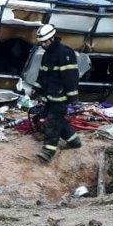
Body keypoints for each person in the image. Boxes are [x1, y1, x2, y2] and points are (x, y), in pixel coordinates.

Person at [34, 24, 82, 162]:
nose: (43, 44)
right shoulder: (47, 55)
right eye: (41, 42)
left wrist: (73, 98)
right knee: (57, 120)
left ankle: (48, 151)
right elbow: (42, 74)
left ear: (52, 38)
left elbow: (71, 76)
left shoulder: (65, 53)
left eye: (45, 42)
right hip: (49, 95)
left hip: (61, 96)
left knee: (53, 122)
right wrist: (37, 89)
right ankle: (74, 141)